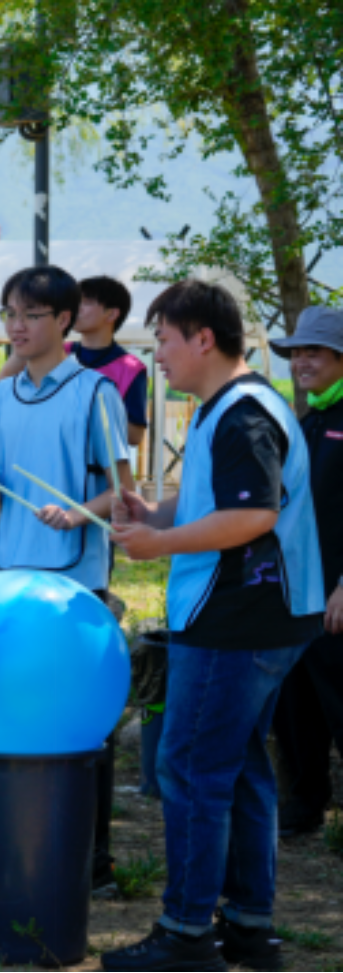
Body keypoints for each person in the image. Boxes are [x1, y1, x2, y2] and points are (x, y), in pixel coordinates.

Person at [107, 281, 326, 973]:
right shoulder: (224, 407)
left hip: (240, 622)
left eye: (164, 340)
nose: (158, 355)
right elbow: (217, 495)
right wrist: (156, 513)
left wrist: (158, 545)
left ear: (204, 338)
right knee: (239, 769)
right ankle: (249, 927)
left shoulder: (245, 413)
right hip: (257, 620)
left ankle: (186, 932)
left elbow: (254, 513)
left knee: (190, 767)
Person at [0, 265, 135, 892]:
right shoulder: (3, 396)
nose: (17, 326)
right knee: (16, 712)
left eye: (30, 315)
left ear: (64, 320)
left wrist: (80, 512)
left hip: (74, 589)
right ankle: (24, 849)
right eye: (10, 314)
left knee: (81, 723)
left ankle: (92, 861)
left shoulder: (96, 392)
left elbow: (124, 491)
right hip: (10, 581)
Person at [267, 305, 343, 839]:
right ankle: (304, 804)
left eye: (313, 353)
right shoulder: (305, 419)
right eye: (295, 354)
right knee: (294, 705)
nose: (300, 363)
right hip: (296, 593)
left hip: (337, 593)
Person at [1, 275, 151, 446]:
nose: (76, 308)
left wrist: (86, 415)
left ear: (111, 314)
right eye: (74, 302)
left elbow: (135, 436)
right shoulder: (56, 350)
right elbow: (3, 385)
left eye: (86, 302)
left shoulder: (131, 368)